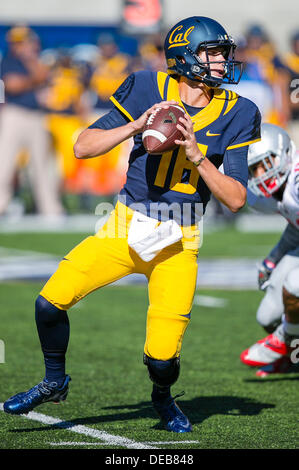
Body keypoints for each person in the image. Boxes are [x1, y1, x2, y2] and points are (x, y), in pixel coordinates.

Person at [4, 16, 261, 432]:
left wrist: (197, 156)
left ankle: (162, 396)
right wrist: (136, 125)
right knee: (48, 302)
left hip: (180, 239)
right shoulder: (147, 87)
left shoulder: (239, 111)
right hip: (124, 226)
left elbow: (235, 199)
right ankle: (54, 380)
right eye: (212, 53)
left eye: (223, 53)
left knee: (162, 360)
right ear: (185, 57)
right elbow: (83, 145)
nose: (222, 61)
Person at [240, 123, 299, 376]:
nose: (262, 173)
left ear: (284, 152)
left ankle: (285, 337)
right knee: (267, 316)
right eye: (255, 169)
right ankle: (294, 355)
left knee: (296, 285)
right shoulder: (283, 192)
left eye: (267, 163)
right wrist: (272, 259)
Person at [0, 25, 64, 216]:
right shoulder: (9, 60)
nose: (21, 46)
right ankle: (1, 204)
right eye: (18, 43)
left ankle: (50, 209)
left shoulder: (36, 60)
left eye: (24, 42)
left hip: (36, 116)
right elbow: (13, 85)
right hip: (14, 114)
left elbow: (44, 76)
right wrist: (35, 81)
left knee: (42, 166)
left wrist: (32, 68)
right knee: (5, 163)